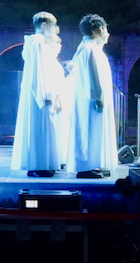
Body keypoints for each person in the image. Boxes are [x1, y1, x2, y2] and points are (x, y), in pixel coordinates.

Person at [11, 11, 64, 178]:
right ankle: (38, 165)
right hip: (40, 94)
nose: (54, 29)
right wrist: (44, 94)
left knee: (43, 129)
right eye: (52, 26)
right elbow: (38, 71)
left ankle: (44, 163)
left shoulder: (38, 43)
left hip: (44, 93)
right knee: (39, 128)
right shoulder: (38, 41)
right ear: (44, 25)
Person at [69, 14, 117, 179]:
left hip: (90, 98)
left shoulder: (88, 48)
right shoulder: (89, 49)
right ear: (97, 29)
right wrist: (98, 97)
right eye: (105, 29)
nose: (107, 33)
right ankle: (86, 167)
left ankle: (93, 164)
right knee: (89, 130)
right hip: (90, 99)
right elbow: (93, 75)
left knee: (94, 130)